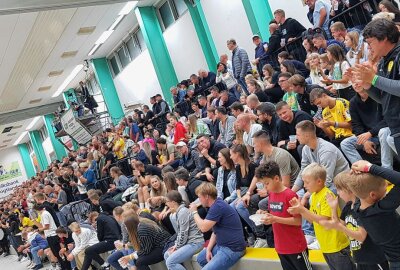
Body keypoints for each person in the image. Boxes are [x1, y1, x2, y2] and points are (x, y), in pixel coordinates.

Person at [287, 163, 354, 270]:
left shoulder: (327, 195)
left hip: (337, 245)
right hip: (325, 246)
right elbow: (312, 220)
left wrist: (302, 209)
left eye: (307, 182)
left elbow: (323, 220)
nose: (304, 185)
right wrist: (299, 210)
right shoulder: (313, 196)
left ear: (319, 181)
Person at [318, 171, 389, 270]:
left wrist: (341, 227)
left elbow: (361, 236)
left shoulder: (362, 206)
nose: (338, 193)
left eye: (339, 189)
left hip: (373, 258)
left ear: (349, 189)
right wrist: (333, 208)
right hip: (359, 258)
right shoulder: (348, 207)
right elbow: (338, 225)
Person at [351, 18, 400, 155]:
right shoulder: (384, 61)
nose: (368, 48)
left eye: (370, 42)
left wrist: (373, 78)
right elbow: (382, 98)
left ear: (383, 38)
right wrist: (367, 83)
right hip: (396, 129)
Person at [255, 162, 311, 270]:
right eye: (263, 184)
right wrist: (266, 215)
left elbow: (298, 221)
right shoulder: (271, 194)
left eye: (267, 183)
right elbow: (276, 214)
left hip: (295, 246)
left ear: (276, 178)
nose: (265, 187)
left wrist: (275, 219)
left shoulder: (289, 195)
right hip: (281, 246)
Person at [348, 160, 400, 269]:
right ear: (373, 195)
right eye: (385, 190)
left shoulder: (358, 209)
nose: (386, 192)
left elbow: (360, 188)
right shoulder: (381, 210)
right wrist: (370, 168)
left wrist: (358, 174)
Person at [189, 182, 246, 269]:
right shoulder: (215, 205)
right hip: (222, 245)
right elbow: (215, 232)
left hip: (232, 249)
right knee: (201, 259)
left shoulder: (217, 207)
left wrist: (194, 212)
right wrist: (208, 249)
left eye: (200, 197)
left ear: (207, 196)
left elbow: (203, 228)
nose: (199, 200)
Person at [340, 84, 391, 166]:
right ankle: (362, 168)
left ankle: (387, 168)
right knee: (345, 143)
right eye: (353, 82)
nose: (356, 84)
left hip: (383, 132)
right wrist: (364, 141)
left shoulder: (378, 96)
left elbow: (387, 119)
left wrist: (370, 133)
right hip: (368, 136)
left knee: (383, 132)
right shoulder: (353, 102)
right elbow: (356, 125)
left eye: (358, 81)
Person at [293, 120, 349, 193]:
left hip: (339, 184)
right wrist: (292, 192)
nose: (296, 138)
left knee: (310, 199)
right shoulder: (305, 149)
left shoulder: (326, 150)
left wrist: (308, 195)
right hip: (319, 183)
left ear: (307, 135)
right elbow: (303, 172)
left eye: (298, 135)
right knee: (297, 195)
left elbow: (327, 180)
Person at [164, 191, 204, 270]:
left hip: (195, 243)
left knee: (170, 262)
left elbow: (183, 234)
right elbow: (180, 233)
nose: (166, 204)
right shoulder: (179, 212)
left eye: (167, 202)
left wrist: (177, 247)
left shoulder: (182, 212)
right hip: (189, 242)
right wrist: (176, 245)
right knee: (166, 254)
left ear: (173, 202)